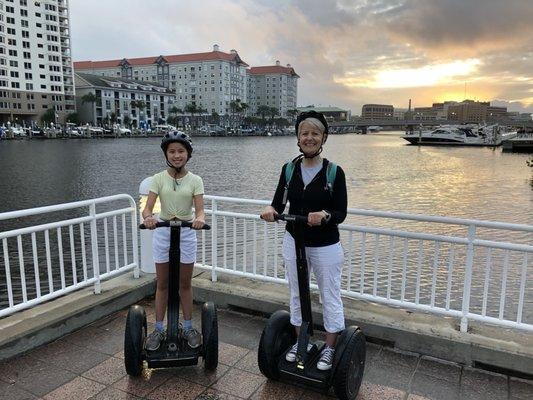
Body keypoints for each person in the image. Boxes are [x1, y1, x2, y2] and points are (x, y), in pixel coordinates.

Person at [260, 111, 347, 371]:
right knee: (297, 294)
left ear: (323, 138)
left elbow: (341, 212)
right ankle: (303, 342)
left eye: (315, 133)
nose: (309, 138)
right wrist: (270, 210)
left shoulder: (334, 172)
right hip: (294, 240)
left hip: (326, 245)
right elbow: (277, 204)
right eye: (304, 133)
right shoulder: (289, 170)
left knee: (329, 294)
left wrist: (325, 215)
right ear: (298, 138)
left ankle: (330, 347)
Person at [142, 131, 206, 351]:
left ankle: (188, 326)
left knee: (184, 284)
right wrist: (149, 218)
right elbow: (147, 208)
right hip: (163, 231)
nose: (177, 155)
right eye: (172, 151)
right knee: (162, 284)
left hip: (186, 233)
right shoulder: (158, 178)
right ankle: (158, 328)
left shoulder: (195, 180)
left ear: (188, 154)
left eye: (181, 151)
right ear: (166, 154)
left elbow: (200, 212)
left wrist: (198, 220)